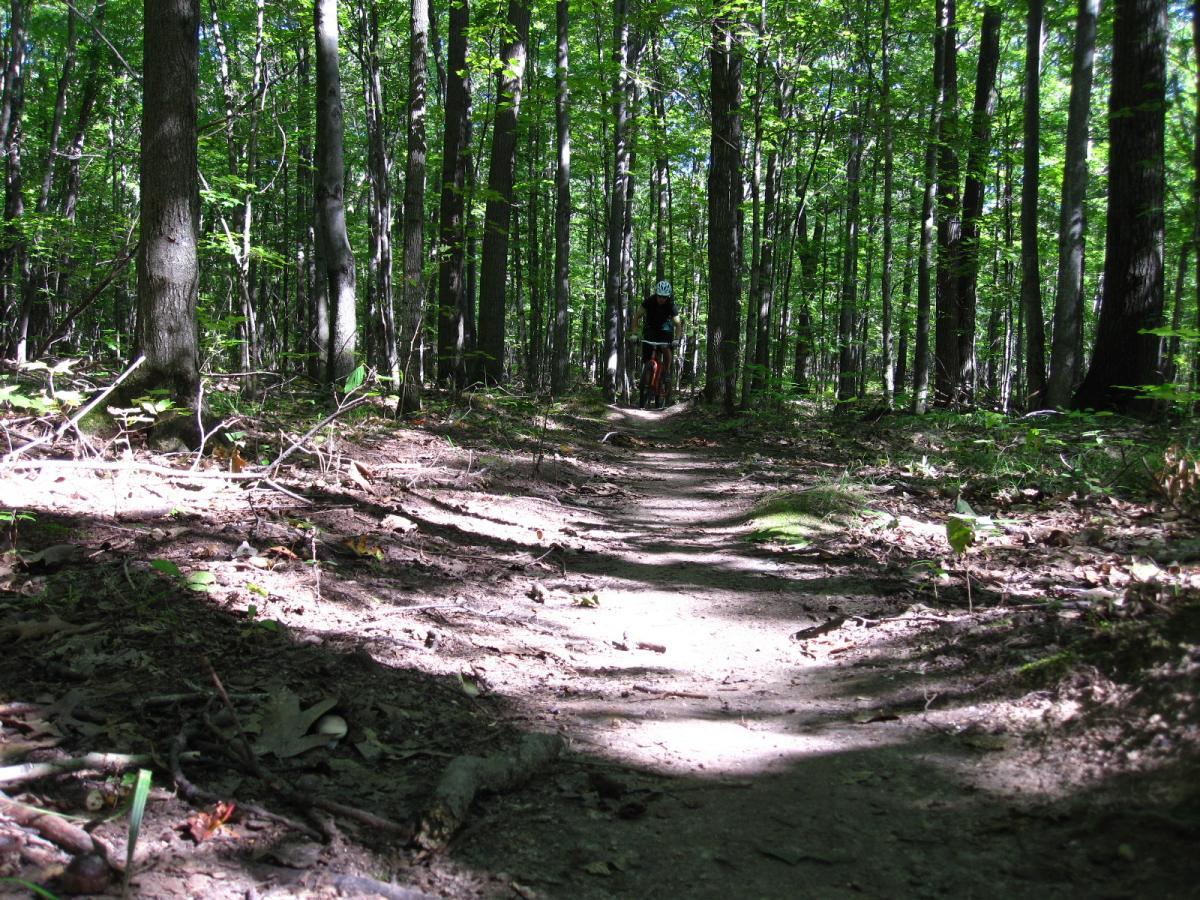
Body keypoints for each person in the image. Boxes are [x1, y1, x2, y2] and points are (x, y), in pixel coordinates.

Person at [630, 279, 682, 406]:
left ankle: (666, 371)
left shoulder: (671, 305)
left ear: (667, 296)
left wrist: (676, 339)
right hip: (650, 330)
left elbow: (678, 324)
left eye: (664, 297)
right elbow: (637, 317)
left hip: (665, 331)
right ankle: (646, 385)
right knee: (647, 358)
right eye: (660, 296)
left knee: (665, 347)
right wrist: (634, 334)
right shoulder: (649, 302)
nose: (662, 299)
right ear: (656, 294)